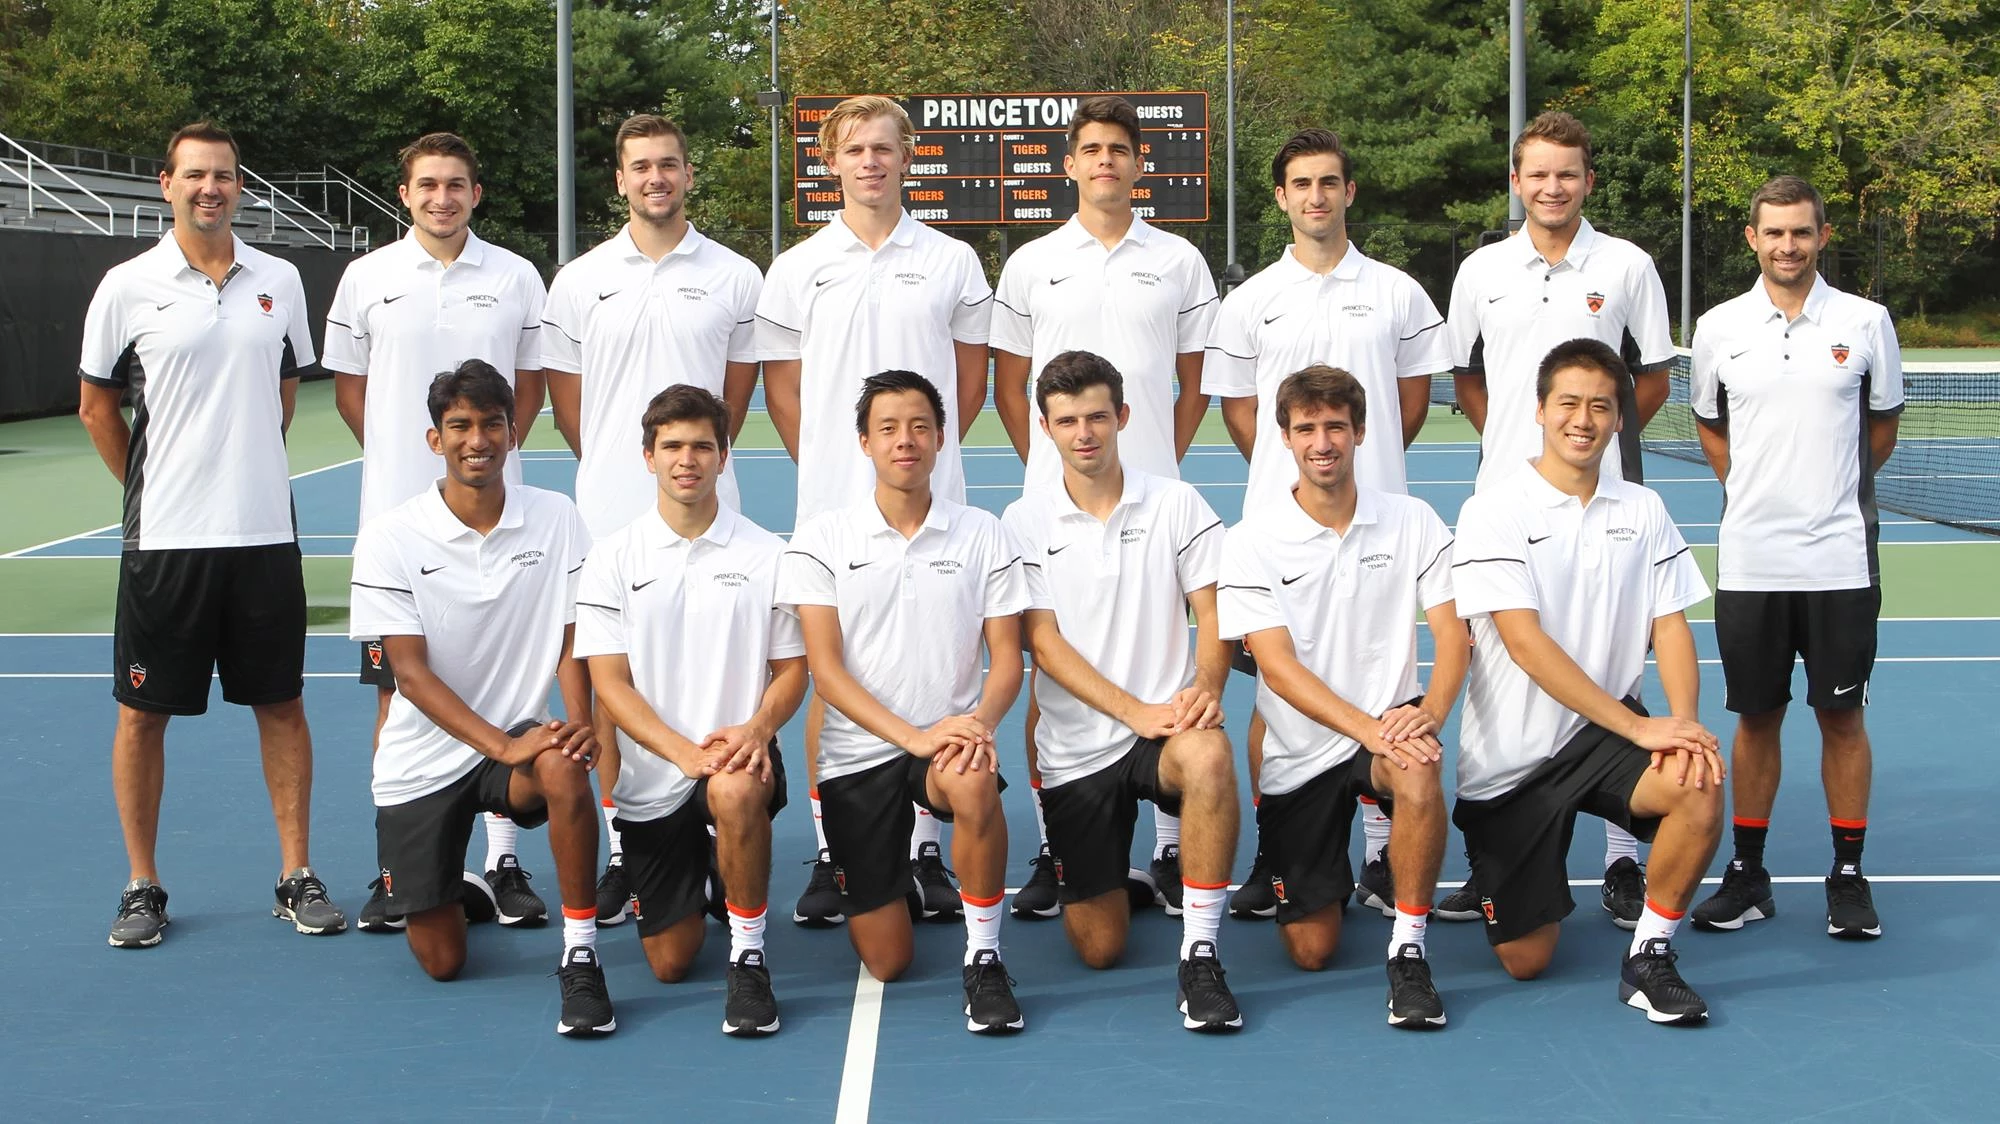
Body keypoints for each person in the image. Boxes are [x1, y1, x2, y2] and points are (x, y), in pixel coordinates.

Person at [80, 121, 345, 948]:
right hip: (165, 542)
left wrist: (245, 469)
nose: (211, 188)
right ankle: (142, 883)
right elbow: (97, 407)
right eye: (195, 174)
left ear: (240, 186)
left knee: (283, 704)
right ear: (166, 183)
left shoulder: (283, 280)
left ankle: (295, 873)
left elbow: (283, 392)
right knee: (140, 716)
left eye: (224, 175)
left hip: (265, 535)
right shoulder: (126, 285)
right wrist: (153, 488)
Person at [758, 96, 994, 925]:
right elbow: (782, 387)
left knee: (940, 661)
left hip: (932, 504)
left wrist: (918, 463)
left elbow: (970, 379)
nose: (870, 162)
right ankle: (837, 846)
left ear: (907, 157)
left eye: (884, 148)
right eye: (854, 149)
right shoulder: (796, 267)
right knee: (835, 669)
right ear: (831, 162)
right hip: (832, 506)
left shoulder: (953, 260)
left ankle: (924, 843)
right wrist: (827, 460)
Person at [1205, 127, 1450, 921]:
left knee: (1388, 681)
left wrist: (1359, 473)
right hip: (1285, 538)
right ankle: (1276, 849)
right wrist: (1295, 475)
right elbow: (1241, 412)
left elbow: (1409, 401)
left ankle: (1382, 855)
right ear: (1282, 197)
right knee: (1272, 700)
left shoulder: (1398, 292)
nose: (1316, 196)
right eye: (1301, 184)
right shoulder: (1248, 303)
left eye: (1330, 182)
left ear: (1350, 193)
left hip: (1375, 532)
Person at [1442, 110, 1678, 924]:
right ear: (1516, 181)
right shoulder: (1480, 271)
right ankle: (1493, 860)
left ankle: (1621, 858)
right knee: (1494, 676)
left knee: (1621, 664)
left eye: (1567, 173)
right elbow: (1467, 378)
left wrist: (1595, 439)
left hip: (1602, 507)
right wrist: (1515, 440)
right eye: (1538, 174)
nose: (1552, 187)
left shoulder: (1629, 265)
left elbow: (1651, 378)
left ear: (1588, 181)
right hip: (1506, 512)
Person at [990, 97, 1221, 915]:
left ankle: (1168, 844)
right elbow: (1010, 382)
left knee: (1165, 654)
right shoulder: (1029, 262)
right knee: (1046, 671)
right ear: (1071, 164)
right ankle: (1059, 847)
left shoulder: (1181, 260)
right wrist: (1046, 465)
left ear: (1138, 163)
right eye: (1090, 150)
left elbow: (1196, 381)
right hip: (1056, 496)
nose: (1105, 162)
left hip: (1148, 492)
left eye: (1119, 149)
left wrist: (1162, 456)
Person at [1450, 339, 1723, 1025]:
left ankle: (1650, 955)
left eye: (1601, 405)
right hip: (1514, 760)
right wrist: (1641, 725)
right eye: (1568, 403)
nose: (1584, 419)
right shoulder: (1493, 509)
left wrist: (1683, 727)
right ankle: (1497, 866)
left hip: (1602, 736)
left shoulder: (1643, 509)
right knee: (1526, 960)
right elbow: (1524, 643)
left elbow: (1672, 627)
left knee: (1698, 780)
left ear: (1619, 419)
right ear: (1539, 411)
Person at [544, 113, 767, 927]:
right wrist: (612, 463)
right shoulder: (577, 280)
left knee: (719, 668)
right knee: (613, 684)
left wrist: (695, 465)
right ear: (619, 180)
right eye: (640, 167)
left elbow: (733, 400)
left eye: (669, 165)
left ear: (688, 174)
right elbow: (571, 408)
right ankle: (622, 845)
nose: (655, 179)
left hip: (711, 508)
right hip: (607, 511)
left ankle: (716, 825)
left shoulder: (739, 276)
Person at [325, 131, 551, 932]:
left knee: (509, 689)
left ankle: (503, 865)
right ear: (405, 193)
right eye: (428, 185)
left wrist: (482, 466)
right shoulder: (365, 279)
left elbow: (527, 392)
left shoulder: (518, 277)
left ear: (475, 194)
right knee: (396, 692)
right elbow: (354, 397)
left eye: (457, 184)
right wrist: (404, 469)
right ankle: (411, 868)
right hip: (400, 529)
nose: (442, 197)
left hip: (502, 527)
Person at [348, 362, 612, 1036]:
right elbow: (409, 673)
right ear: (435, 441)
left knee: (562, 762)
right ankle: (454, 889)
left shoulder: (556, 518)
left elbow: (573, 640)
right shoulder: (389, 536)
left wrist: (578, 723)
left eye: (491, 423)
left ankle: (579, 953)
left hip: (513, 753)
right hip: (422, 762)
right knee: (441, 961)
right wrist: (503, 743)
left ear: (512, 431)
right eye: (460, 426)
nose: (477, 439)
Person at [776, 371, 1030, 1034]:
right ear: (865, 443)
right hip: (858, 760)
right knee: (887, 961)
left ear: (941, 437)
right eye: (888, 428)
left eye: (919, 426)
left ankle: (984, 955)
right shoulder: (822, 539)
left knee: (974, 781)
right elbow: (825, 673)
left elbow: (1008, 660)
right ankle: (889, 879)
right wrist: (910, 737)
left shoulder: (983, 533)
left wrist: (975, 724)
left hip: (945, 742)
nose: (905, 440)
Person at [1686, 175, 1902, 940]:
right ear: (1752, 238)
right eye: (1773, 233)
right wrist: (1753, 491)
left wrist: (1829, 499)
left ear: (1823, 235)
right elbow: (1711, 426)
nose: (1787, 246)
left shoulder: (1867, 322)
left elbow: (1881, 429)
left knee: (1841, 716)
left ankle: (1847, 875)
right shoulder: (1717, 328)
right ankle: (1748, 874)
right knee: (1755, 718)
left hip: (1841, 560)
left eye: (1801, 232)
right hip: (1749, 562)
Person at [1000, 351, 1240, 1031]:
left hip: (1166, 731)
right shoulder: (1023, 521)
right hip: (1079, 750)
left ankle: (1200, 952)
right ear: (1045, 428)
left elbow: (1214, 614)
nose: (1085, 433)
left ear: (1123, 417)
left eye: (1097, 416)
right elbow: (1041, 643)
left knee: (1211, 757)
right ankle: (1122, 878)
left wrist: (1206, 683)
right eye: (1068, 420)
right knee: (1099, 949)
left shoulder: (1175, 502)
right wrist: (1133, 710)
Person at [1218, 366, 1463, 1028]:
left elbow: (1452, 632)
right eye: (1306, 429)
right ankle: (1311, 871)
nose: (1322, 442)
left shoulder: (1412, 520)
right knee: (1310, 949)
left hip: (1389, 731)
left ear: (1359, 432)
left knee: (1420, 767)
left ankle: (1408, 951)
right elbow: (1276, 665)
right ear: (1285, 439)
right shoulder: (1249, 542)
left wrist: (1428, 714)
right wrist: (1368, 729)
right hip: (1304, 750)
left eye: (1334, 426)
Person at [575, 385, 807, 1036]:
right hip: (654, 779)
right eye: (672, 446)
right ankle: (713, 873)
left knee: (734, 793)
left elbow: (793, 671)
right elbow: (609, 685)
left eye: (702, 446)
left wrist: (757, 730)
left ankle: (748, 955)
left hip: (736, 761)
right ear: (648, 457)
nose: (687, 459)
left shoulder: (766, 554)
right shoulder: (612, 559)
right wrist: (683, 754)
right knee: (670, 963)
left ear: (724, 456)